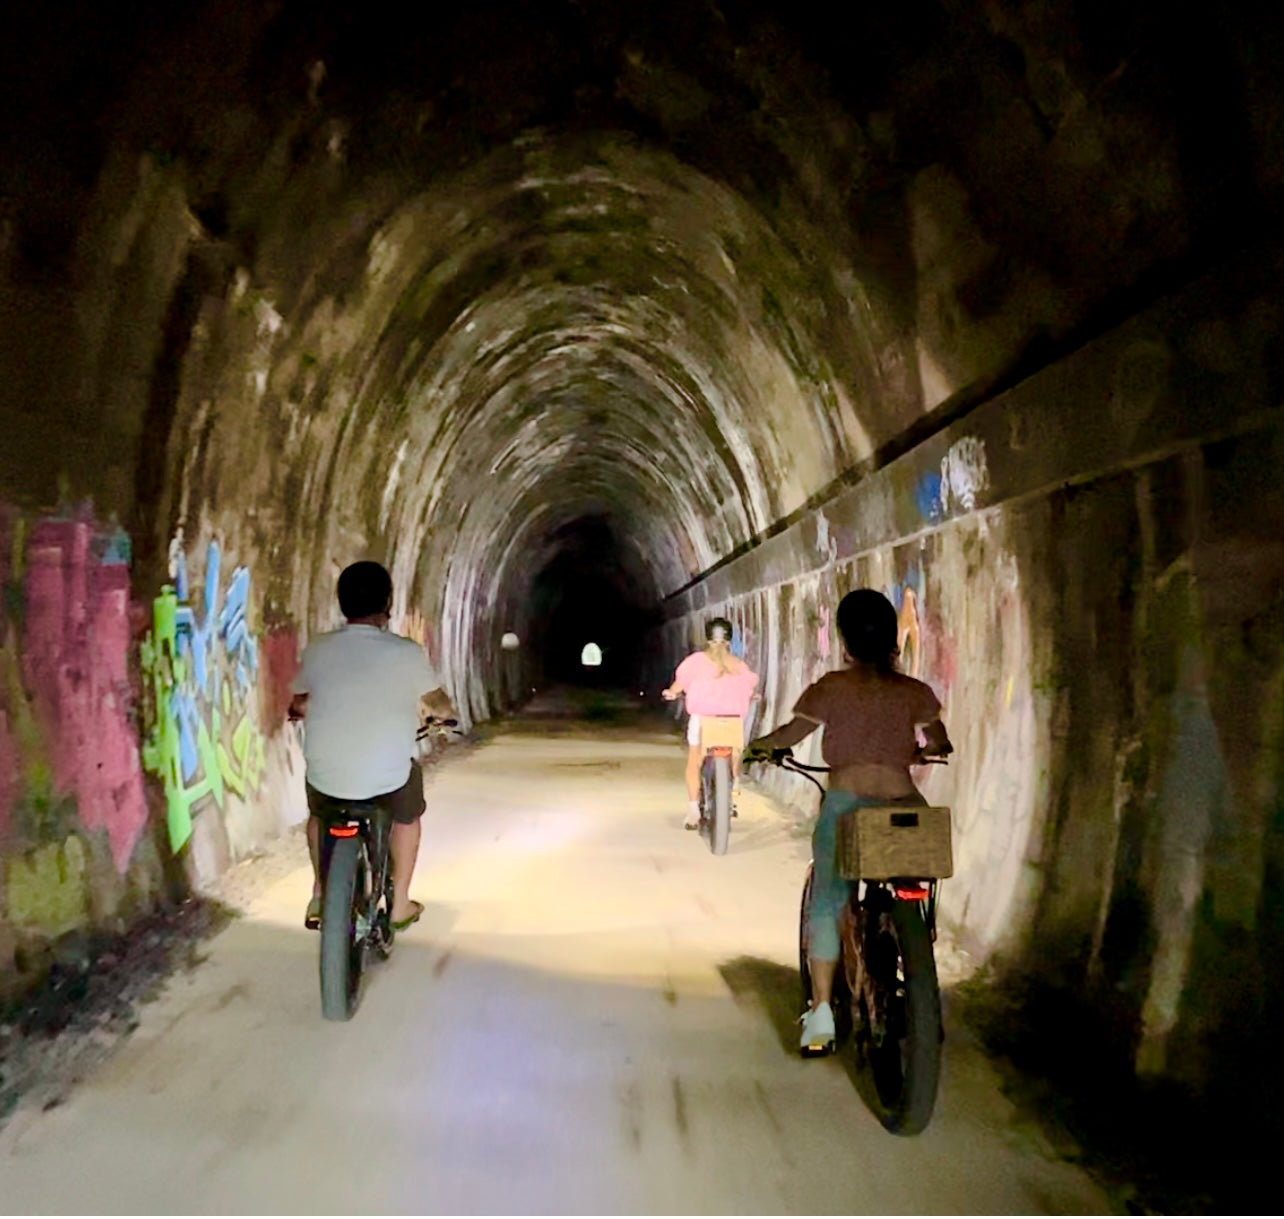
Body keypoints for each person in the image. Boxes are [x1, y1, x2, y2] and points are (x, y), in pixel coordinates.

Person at [745, 589, 952, 1052]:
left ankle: (820, 1016)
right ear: (893, 641)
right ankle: (917, 952)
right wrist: (925, 750)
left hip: (847, 803)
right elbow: (940, 741)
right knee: (917, 874)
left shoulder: (831, 688)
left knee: (828, 897)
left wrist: (760, 746)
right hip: (903, 803)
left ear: (845, 640)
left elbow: (790, 734)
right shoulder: (914, 692)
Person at [288, 560, 455, 931]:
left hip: (327, 771)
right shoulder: (406, 653)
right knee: (407, 818)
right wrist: (445, 716)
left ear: (342, 602)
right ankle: (400, 905)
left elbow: (301, 700)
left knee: (319, 815)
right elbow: (437, 700)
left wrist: (299, 710)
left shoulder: (319, 649)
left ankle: (320, 889)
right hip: (389, 775)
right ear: (387, 603)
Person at [662, 617, 759, 829]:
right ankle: (733, 786)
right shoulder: (739, 665)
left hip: (703, 720)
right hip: (732, 721)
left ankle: (693, 809)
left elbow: (679, 685)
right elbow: (750, 687)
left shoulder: (695, 661)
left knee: (694, 761)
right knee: (734, 750)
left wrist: (671, 693)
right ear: (729, 640)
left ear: (707, 639)